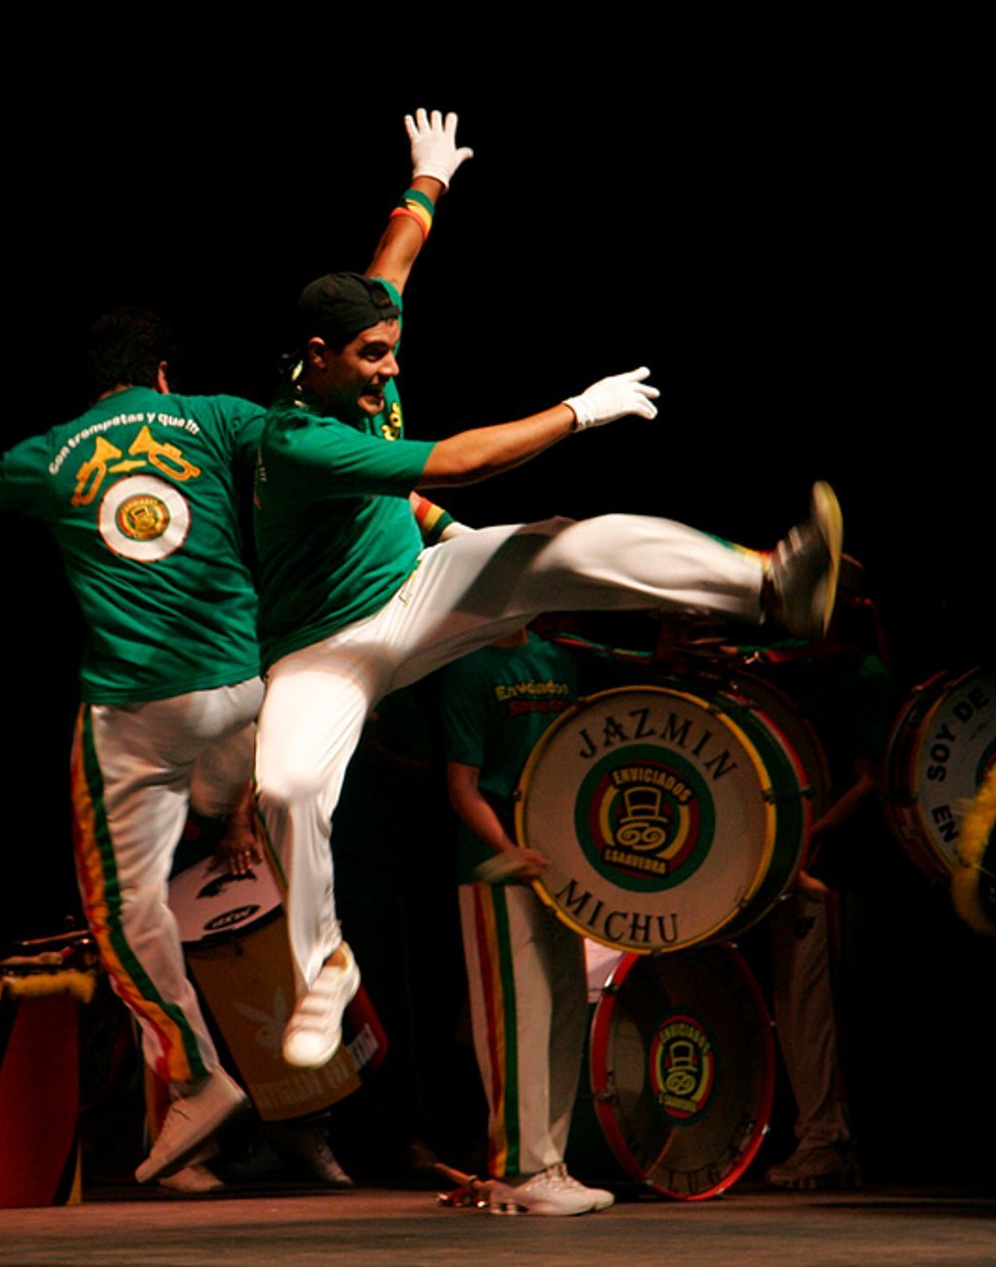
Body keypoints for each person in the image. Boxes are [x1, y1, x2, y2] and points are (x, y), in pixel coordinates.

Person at [250, 112, 844, 1070]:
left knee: (563, 546)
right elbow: (454, 460)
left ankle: (769, 585)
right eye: (371, 356)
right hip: (328, 651)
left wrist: (428, 178)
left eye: (393, 348)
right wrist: (578, 410)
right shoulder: (295, 438)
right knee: (286, 784)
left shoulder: (364, 338)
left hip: (418, 588)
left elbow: (395, 254)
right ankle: (325, 967)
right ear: (316, 355)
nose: (392, 366)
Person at [0, 309, 263, 1184]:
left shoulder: (64, 448)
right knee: (207, 851)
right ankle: (187, 1121)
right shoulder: (219, 416)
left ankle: (196, 1075)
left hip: (137, 712)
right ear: (164, 371)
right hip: (248, 700)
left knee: (121, 908)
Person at [441, 624, 614, 1215]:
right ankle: (518, 1169)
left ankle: (552, 1163)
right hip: (499, 868)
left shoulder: (560, 658)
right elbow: (462, 786)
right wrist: (505, 848)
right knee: (516, 1019)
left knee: (564, 1008)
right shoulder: (468, 669)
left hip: (560, 865)